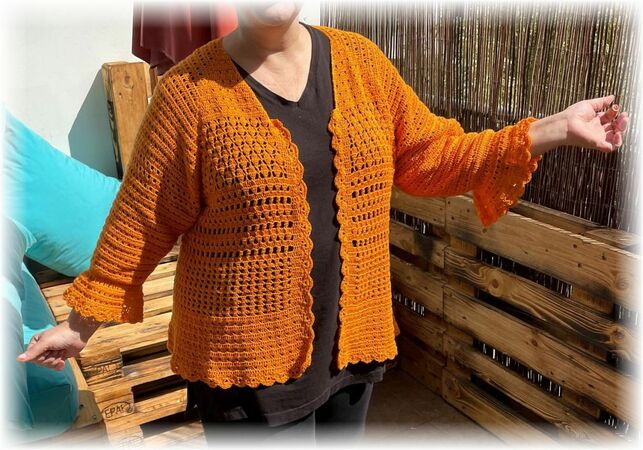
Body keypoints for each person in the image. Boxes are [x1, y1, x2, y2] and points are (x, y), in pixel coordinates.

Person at [16, 1, 629, 447]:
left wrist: (552, 128)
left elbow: (432, 155)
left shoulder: (362, 64)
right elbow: (141, 220)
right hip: (247, 368)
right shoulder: (190, 95)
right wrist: (79, 326)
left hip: (351, 348)